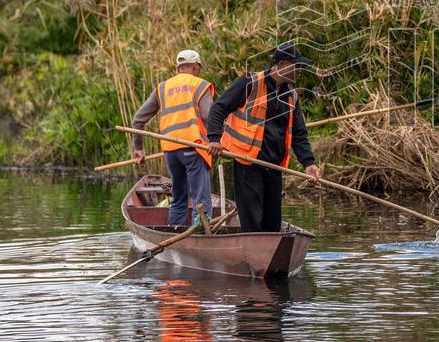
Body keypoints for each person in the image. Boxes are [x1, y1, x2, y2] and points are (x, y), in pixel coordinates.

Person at [206, 43, 321, 233]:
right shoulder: (249, 83)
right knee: (252, 217)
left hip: (274, 166)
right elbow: (219, 108)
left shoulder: (291, 96)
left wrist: (308, 163)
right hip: (247, 162)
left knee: (272, 221)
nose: (299, 70)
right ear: (282, 64)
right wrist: (214, 139)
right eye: (296, 66)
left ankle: (268, 254)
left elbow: (299, 134)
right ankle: (253, 254)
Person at [131, 49, 215, 226]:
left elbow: (138, 120)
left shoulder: (163, 88)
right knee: (201, 200)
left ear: (178, 67)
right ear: (194, 66)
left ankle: (173, 230)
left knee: (178, 198)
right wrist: (217, 140)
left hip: (171, 152)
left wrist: (138, 149)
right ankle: (200, 233)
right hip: (194, 148)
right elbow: (210, 117)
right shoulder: (200, 85)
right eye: (199, 68)